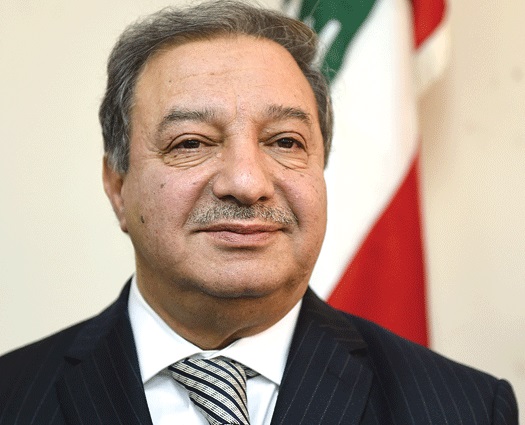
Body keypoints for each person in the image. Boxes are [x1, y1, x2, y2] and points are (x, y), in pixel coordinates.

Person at [0, 1, 518, 424]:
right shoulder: (13, 398)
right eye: (191, 143)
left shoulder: (465, 409)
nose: (247, 183)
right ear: (117, 185)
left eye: (285, 142)